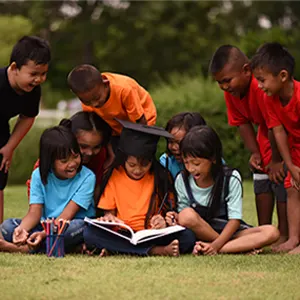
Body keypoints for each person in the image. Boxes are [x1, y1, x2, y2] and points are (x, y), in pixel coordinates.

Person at [209, 45, 287, 245]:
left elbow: (275, 125)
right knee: (260, 177)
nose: (225, 87)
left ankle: (285, 234)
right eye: (220, 83)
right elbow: (242, 123)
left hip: (281, 136)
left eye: (227, 80)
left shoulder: (261, 87)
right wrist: (255, 153)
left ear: (246, 70)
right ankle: (263, 231)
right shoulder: (232, 94)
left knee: (279, 179)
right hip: (265, 134)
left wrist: (276, 159)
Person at [83, 120, 196, 256]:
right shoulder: (114, 175)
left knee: (188, 237)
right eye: (132, 165)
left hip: (152, 234)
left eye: (144, 165)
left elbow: (168, 212)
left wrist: (163, 221)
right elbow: (109, 213)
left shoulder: (160, 176)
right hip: (123, 233)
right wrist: (108, 219)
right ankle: (156, 251)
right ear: (124, 159)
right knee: (90, 234)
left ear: (151, 161)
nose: (137, 170)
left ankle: (117, 249)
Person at [167, 125, 279, 255]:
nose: (191, 169)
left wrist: (216, 245)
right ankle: (238, 247)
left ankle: (214, 248)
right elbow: (184, 216)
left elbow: (235, 220)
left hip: (230, 231)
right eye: (186, 163)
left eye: (196, 163)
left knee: (271, 232)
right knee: (186, 215)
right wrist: (175, 216)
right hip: (199, 232)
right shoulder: (182, 179)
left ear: (213, 158)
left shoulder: (230, 178)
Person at [0, 122, 96, 253]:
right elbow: (35, 212)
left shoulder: (87, 177)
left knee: (79, 228)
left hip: (69, 224)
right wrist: (22, 230)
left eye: (75, 156)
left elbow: (67, 216)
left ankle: (24, 249)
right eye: (64, 161)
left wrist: (44, 234)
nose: (72, 163)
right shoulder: (38, 175)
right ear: (50, 161)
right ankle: (55, 246)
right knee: (8, 227)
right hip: (45, 226)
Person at [251, 42, 300, 254]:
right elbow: (278, 131)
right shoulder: (269, 98)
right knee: (292, 188)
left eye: (262, 80)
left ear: (282, 76)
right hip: (295, 149)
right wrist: (290, 165)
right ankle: (293, 239)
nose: (259, 86)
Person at [0, 36, 51, 223]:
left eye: (43, 73)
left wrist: (9, 148)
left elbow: (28, 117)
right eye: (34, 73)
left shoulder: (33, 90)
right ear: (14, 68)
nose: (39, 79)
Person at [67, 64, 157, 156]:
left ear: (106, 84)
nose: (94, 104)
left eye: (97, 98)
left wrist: (139, 147)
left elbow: (140, 123)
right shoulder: (89, 98)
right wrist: (111, 155)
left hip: (143, 124)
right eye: (87, 102)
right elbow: (102, 128)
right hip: (117, 128)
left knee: (136, 156)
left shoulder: (124, 89)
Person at [26, 111, 111, 203]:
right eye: (83, 146)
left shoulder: (99, 156)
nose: (90, 153)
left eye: (96, 147)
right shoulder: (49, 160)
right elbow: (35, 190)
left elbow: (97, 188)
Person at [160, 112, 207, 179]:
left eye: (179, 143)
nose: (173, 147)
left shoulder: (210, 162)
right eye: (170, 141)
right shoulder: (167, 162)